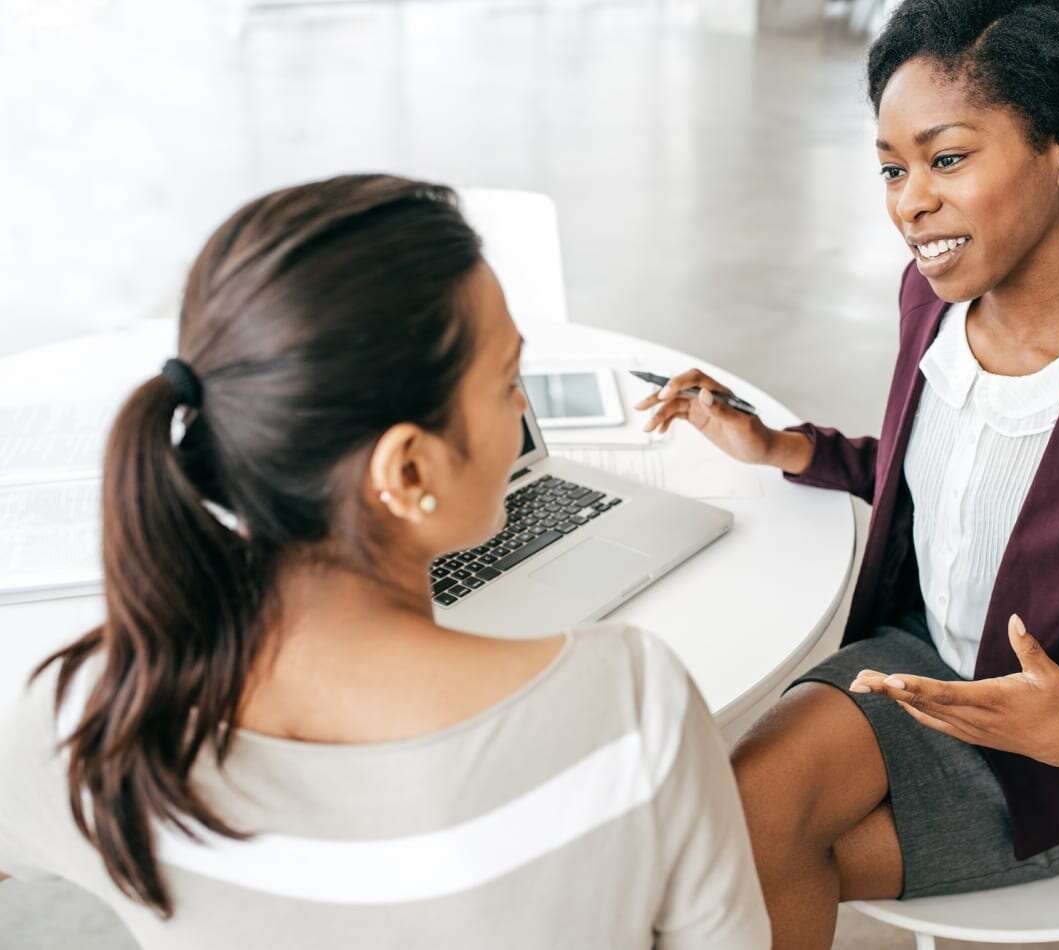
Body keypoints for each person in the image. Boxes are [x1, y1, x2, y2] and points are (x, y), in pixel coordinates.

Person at [635, 2, 1059, 946]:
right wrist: (782, 447)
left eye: (946, 160)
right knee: (717, 839)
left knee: (722, 859)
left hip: (1052, 763)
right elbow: (941, 478)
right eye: (893, 169)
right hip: (915, 661)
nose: (909, 203)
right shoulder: (934, 298)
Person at [0, 175, 769, 950]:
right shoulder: (631, 710)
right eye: (507, 383)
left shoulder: (86, 726)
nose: (523, 411)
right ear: (406, 472)